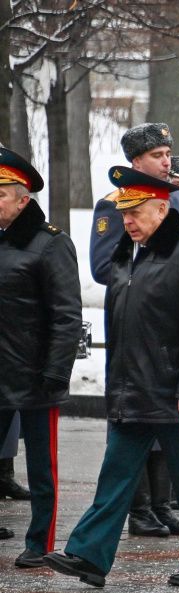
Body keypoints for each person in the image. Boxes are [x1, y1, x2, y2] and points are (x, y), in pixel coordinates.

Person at [44, 167, 179, 588]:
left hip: (172, 393)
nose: (127, 221)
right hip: (131, 392)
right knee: (114, 477)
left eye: (136, 212)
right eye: (124, 213)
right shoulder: (125, 256)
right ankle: (89, 555)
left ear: (162, 210)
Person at [90, 123, 179, 538]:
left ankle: (164, 503)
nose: (167, 161)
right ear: (136, 161)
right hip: (141, 327)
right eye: (156, 155)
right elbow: (102, 268)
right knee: (137, 424)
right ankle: (142, 508)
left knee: (173, 424)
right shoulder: (112, 204)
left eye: (168, 153)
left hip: (174, 328)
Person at [0, 147, 82, 569]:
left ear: (22, 200)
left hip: (34, 374)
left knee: (41, 468)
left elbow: (67, 317)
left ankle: (41, 541)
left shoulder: (50, 245)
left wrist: (55, 372)